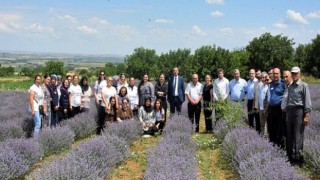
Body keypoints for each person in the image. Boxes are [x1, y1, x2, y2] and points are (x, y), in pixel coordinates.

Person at [285, 67, 312, 167]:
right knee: (289, 135)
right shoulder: (290, 86)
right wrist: (287, 114)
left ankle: (298, 159)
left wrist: (307, 115)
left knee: (298, 135)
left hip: (299, 111)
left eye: (296, 73)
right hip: (290, 111)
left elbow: (307, 101)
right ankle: (290, 157)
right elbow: (288, 101)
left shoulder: (304, 86)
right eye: (293, 73)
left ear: (299, 74)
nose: (294, 75)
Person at [265, 67, 285, 147]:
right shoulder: (271, 84)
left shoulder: (283, 84)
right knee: (271, 129)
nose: (275, 75)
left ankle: (280, 147)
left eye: (277, 73)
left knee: (279, 130)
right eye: (274, 73)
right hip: (271, 109)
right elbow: (269, 97)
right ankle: (272, 146)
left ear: (280, 74)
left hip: (279, 110)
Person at [258, 72, 269, 137]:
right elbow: (260, 97)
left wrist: (266, 108)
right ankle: (262, 136)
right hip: (261, 108)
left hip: (266, 108)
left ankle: (266, 137)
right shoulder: (261, 86)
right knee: (262, 123)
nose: (262, 79)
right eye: (261, 77)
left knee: (266, 123)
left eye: (264, 77)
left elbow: (268, 99)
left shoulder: (268, 86)